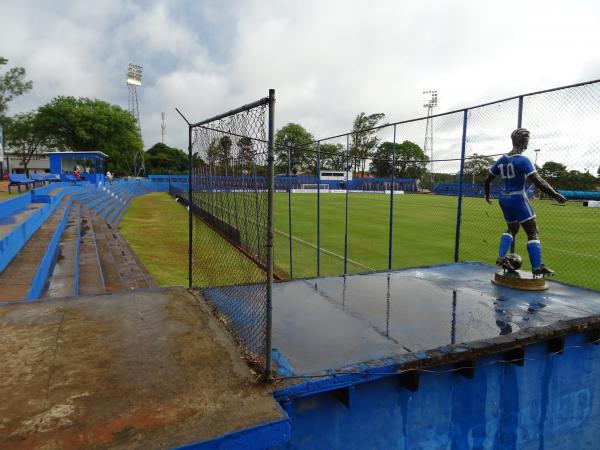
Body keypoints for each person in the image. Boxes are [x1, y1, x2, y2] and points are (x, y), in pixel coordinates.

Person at [484, 128, 566, 276]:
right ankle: (536, 267)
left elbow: (488, 178)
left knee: (512, 229)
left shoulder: (502, 160)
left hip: (504, 198)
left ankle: (502, 257)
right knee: (533, 232)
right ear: (524, 142)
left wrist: (487, 195)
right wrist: (555, 194)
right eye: (527, 140)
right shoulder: (523, 160)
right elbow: (538, 180)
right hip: (518, 198)